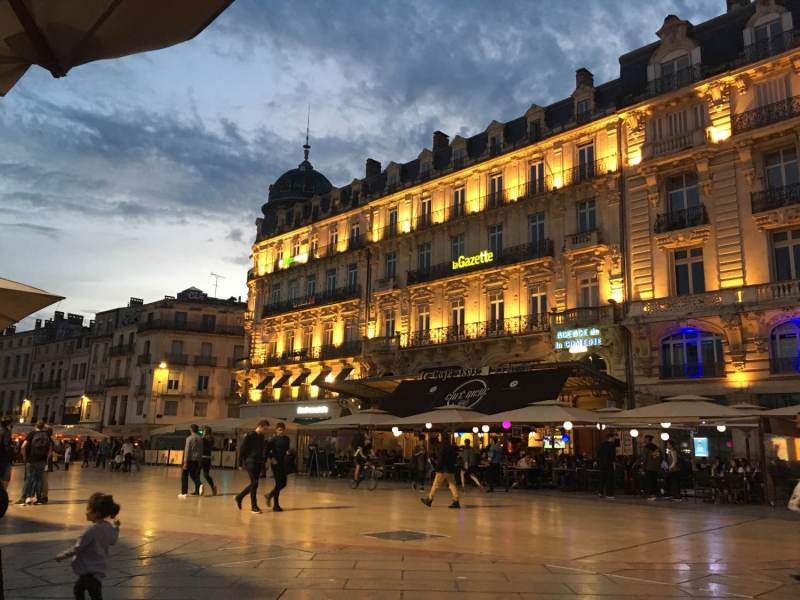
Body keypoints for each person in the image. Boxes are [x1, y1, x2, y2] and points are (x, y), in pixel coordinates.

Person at [56, 492, 120, 600]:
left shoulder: (91, 530)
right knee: (89, 592)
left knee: (80, 591)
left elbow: (78, 547)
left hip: (88, 571)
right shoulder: (108, 527)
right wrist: (116, 528)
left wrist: (62, 555)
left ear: (97, 513)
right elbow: (113, 540)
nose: (86, 512)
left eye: (88, 509)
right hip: (98, 571)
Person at [235, 419, 269, 513]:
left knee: (255, 484)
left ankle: (239, 497)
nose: (265, 431)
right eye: (265, 429)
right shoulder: (249, 436)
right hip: (250, 461)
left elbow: (261, 450)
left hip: (258, 462)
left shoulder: (262, 437)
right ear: (260, 426)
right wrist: (240, 463)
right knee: (254, 483)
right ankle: (254, 506)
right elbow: (242, 449)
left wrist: (263, 462)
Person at [420, 433, 460, 509]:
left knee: (436, 485)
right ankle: (456, 501)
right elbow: (454, 457)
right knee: (452, 485)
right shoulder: (451, 446)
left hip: (443, 469)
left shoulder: (442, 447)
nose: (438, 437)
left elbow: (441, 459)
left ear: (443, 438)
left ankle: (429, 499)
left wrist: (437, 468)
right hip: (450, 469)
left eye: (439, 436)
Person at [17, 420, 51, 505]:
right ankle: (38, 498)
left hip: (31, 460)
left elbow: (23, 446)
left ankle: (23, 497)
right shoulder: (47, 435)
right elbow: (50, 449)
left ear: (36, 426)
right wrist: (46, 459)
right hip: (42, 460)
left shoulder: (32, 434)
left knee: (29, 479)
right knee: (39, 479)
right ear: (43, 427)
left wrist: (25, 457)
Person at [265, 422, 290, 512]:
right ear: (276, 430)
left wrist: (288, 453)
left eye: (282, 430)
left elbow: (286, 449)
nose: (281, 431)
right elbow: (266, 451)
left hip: (283, 463)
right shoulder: (273, 440)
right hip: (275, 463)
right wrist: (271, 459)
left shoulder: (287, 439)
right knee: (279, 483)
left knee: (284, 483)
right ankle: (276, 505)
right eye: (279, 430)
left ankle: (269, 495)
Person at [178, 425, 203, 498]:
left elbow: (187, 450)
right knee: (193, 475)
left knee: (184, 476)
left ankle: (183, 493)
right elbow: (201, 450)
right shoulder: (200, 439)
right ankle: (199, 485)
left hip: (189, 459)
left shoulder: (189, 438)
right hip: (197, 460)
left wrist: (185, 462)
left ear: (191, 429)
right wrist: (200, 460)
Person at [597, 432, 617, 499]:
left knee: (602, 478)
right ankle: (609, 494)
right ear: (611, 437)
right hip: (609, 464)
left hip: (602, 464)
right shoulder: (612, 445)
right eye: (614, 437)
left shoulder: (602, 444)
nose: (614, 439)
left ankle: (600, 492)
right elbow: (613, 456)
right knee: (609, 479)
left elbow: (598, 454)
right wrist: (614, 465)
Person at [642, 434, 662, 501]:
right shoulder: (656, 447)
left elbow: (644, 458)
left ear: (647, 439)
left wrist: (643, 466)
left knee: (649, 481)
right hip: (656, 467)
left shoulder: (646, 447)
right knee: (654, 481)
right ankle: (655, 494)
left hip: (649, 467)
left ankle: (651, 495)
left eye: (645, 439)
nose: (644, 440)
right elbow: (659, 457)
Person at [199, 427, 217, 496]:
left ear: (205, 432)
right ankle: (213, 487)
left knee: (196, 473)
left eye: (203, 431)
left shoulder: (203, 439)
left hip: (202, 458)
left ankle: (200, 486)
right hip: (208, 459)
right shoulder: (212, 439)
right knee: (206, 474)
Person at [0, 418, 12, 491]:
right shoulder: (6, 432)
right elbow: (6, 445)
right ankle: (3, 493)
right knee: (5, 477)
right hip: (4, 457)